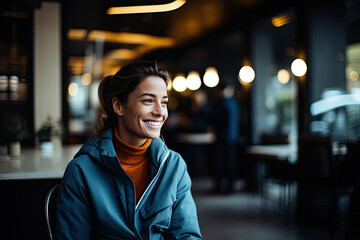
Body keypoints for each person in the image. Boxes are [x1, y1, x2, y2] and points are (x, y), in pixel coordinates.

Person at [55, 61, 202, 239]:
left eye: (164, 103)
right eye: (148, 100)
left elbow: (186, 235)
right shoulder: (81, 171)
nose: (160, 112)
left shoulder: (174, 166)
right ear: (118, 106)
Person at [211, 83, 240, 194]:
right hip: (233, 137)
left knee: (220, 163)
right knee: (231, 162)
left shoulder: (221, 103)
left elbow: (214, 119)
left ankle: (219, 187)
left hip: (222, 137)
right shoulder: (234, 103)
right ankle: (230, 187)